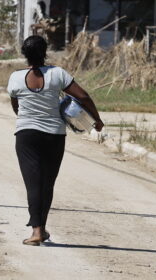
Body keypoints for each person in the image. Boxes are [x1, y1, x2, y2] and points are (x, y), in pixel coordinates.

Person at [7, 35, 104, 246]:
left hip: (26, 135)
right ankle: (40, 228)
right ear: (45, 52)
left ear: (24, 54)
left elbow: (16, 107)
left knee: (33, 183)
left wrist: (27, 118)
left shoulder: (15, 78)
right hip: (54, 135)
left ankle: (37, 231)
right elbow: (84, 96)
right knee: (47, 183)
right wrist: (96, 119)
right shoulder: (57, 74)